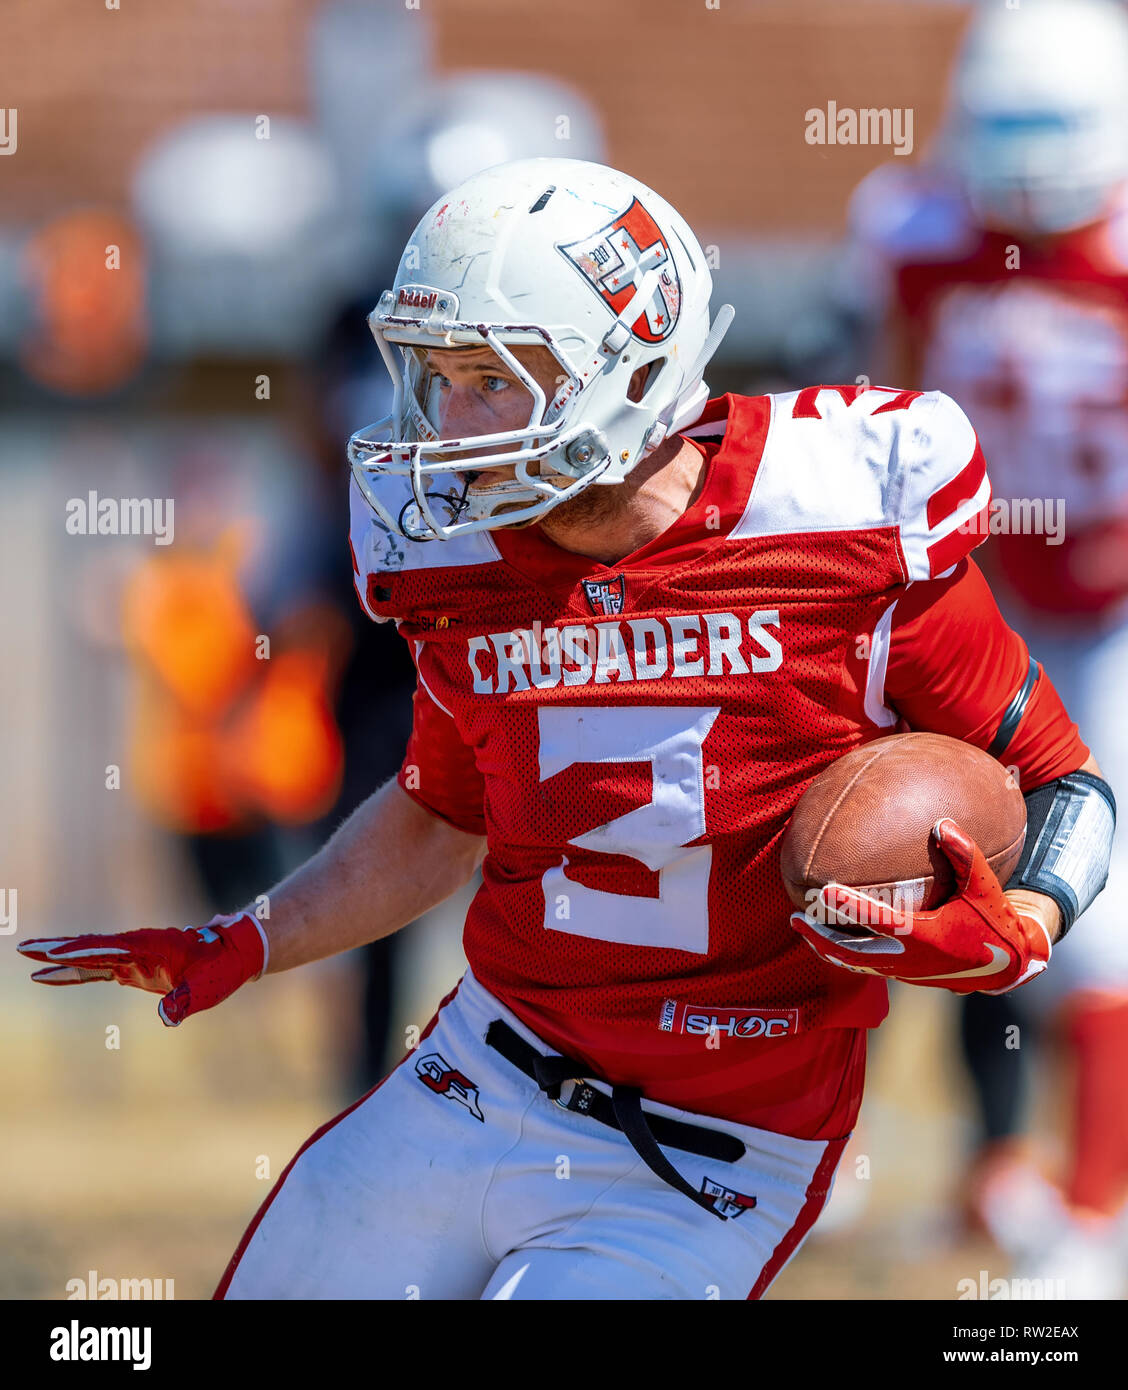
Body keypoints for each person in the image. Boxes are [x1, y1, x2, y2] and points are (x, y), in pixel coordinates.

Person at [19, 156, 1115, 1300]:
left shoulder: (838, 516)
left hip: (711, 1159)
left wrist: (1026, 916)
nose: (448, 419)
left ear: (626, 367)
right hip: (477, 1080)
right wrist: (250, 937)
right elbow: (445, 809)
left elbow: (1066, 785)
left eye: (490, 378)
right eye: (435, 376)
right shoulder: (451, 552)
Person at [843, 0, 1128, 1294]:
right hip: (985, 598)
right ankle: (993, 1168)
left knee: (1098, 914)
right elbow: (894, 408)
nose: (1019, 157)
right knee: (942, 858)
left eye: (1047, 125)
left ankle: (1093, 1208)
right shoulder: (917, 236)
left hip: (1114, 599)